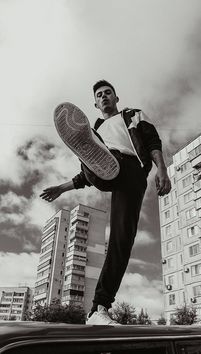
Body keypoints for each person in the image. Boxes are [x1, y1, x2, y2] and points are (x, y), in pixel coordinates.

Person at [40, 80, 171, 325]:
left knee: (122, 240)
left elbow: (152, 141)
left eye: (108, 93)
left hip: (132, 172)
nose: (104, 97)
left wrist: (161, 170)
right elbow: (83, 179)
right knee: (95, 161)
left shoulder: (133, 114)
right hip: (105, 164)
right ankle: (88, 154)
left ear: (116, 98)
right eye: (99, 95)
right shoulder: (97, 129)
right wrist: (62, 187)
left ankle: (98, 309)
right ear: (95, 103)